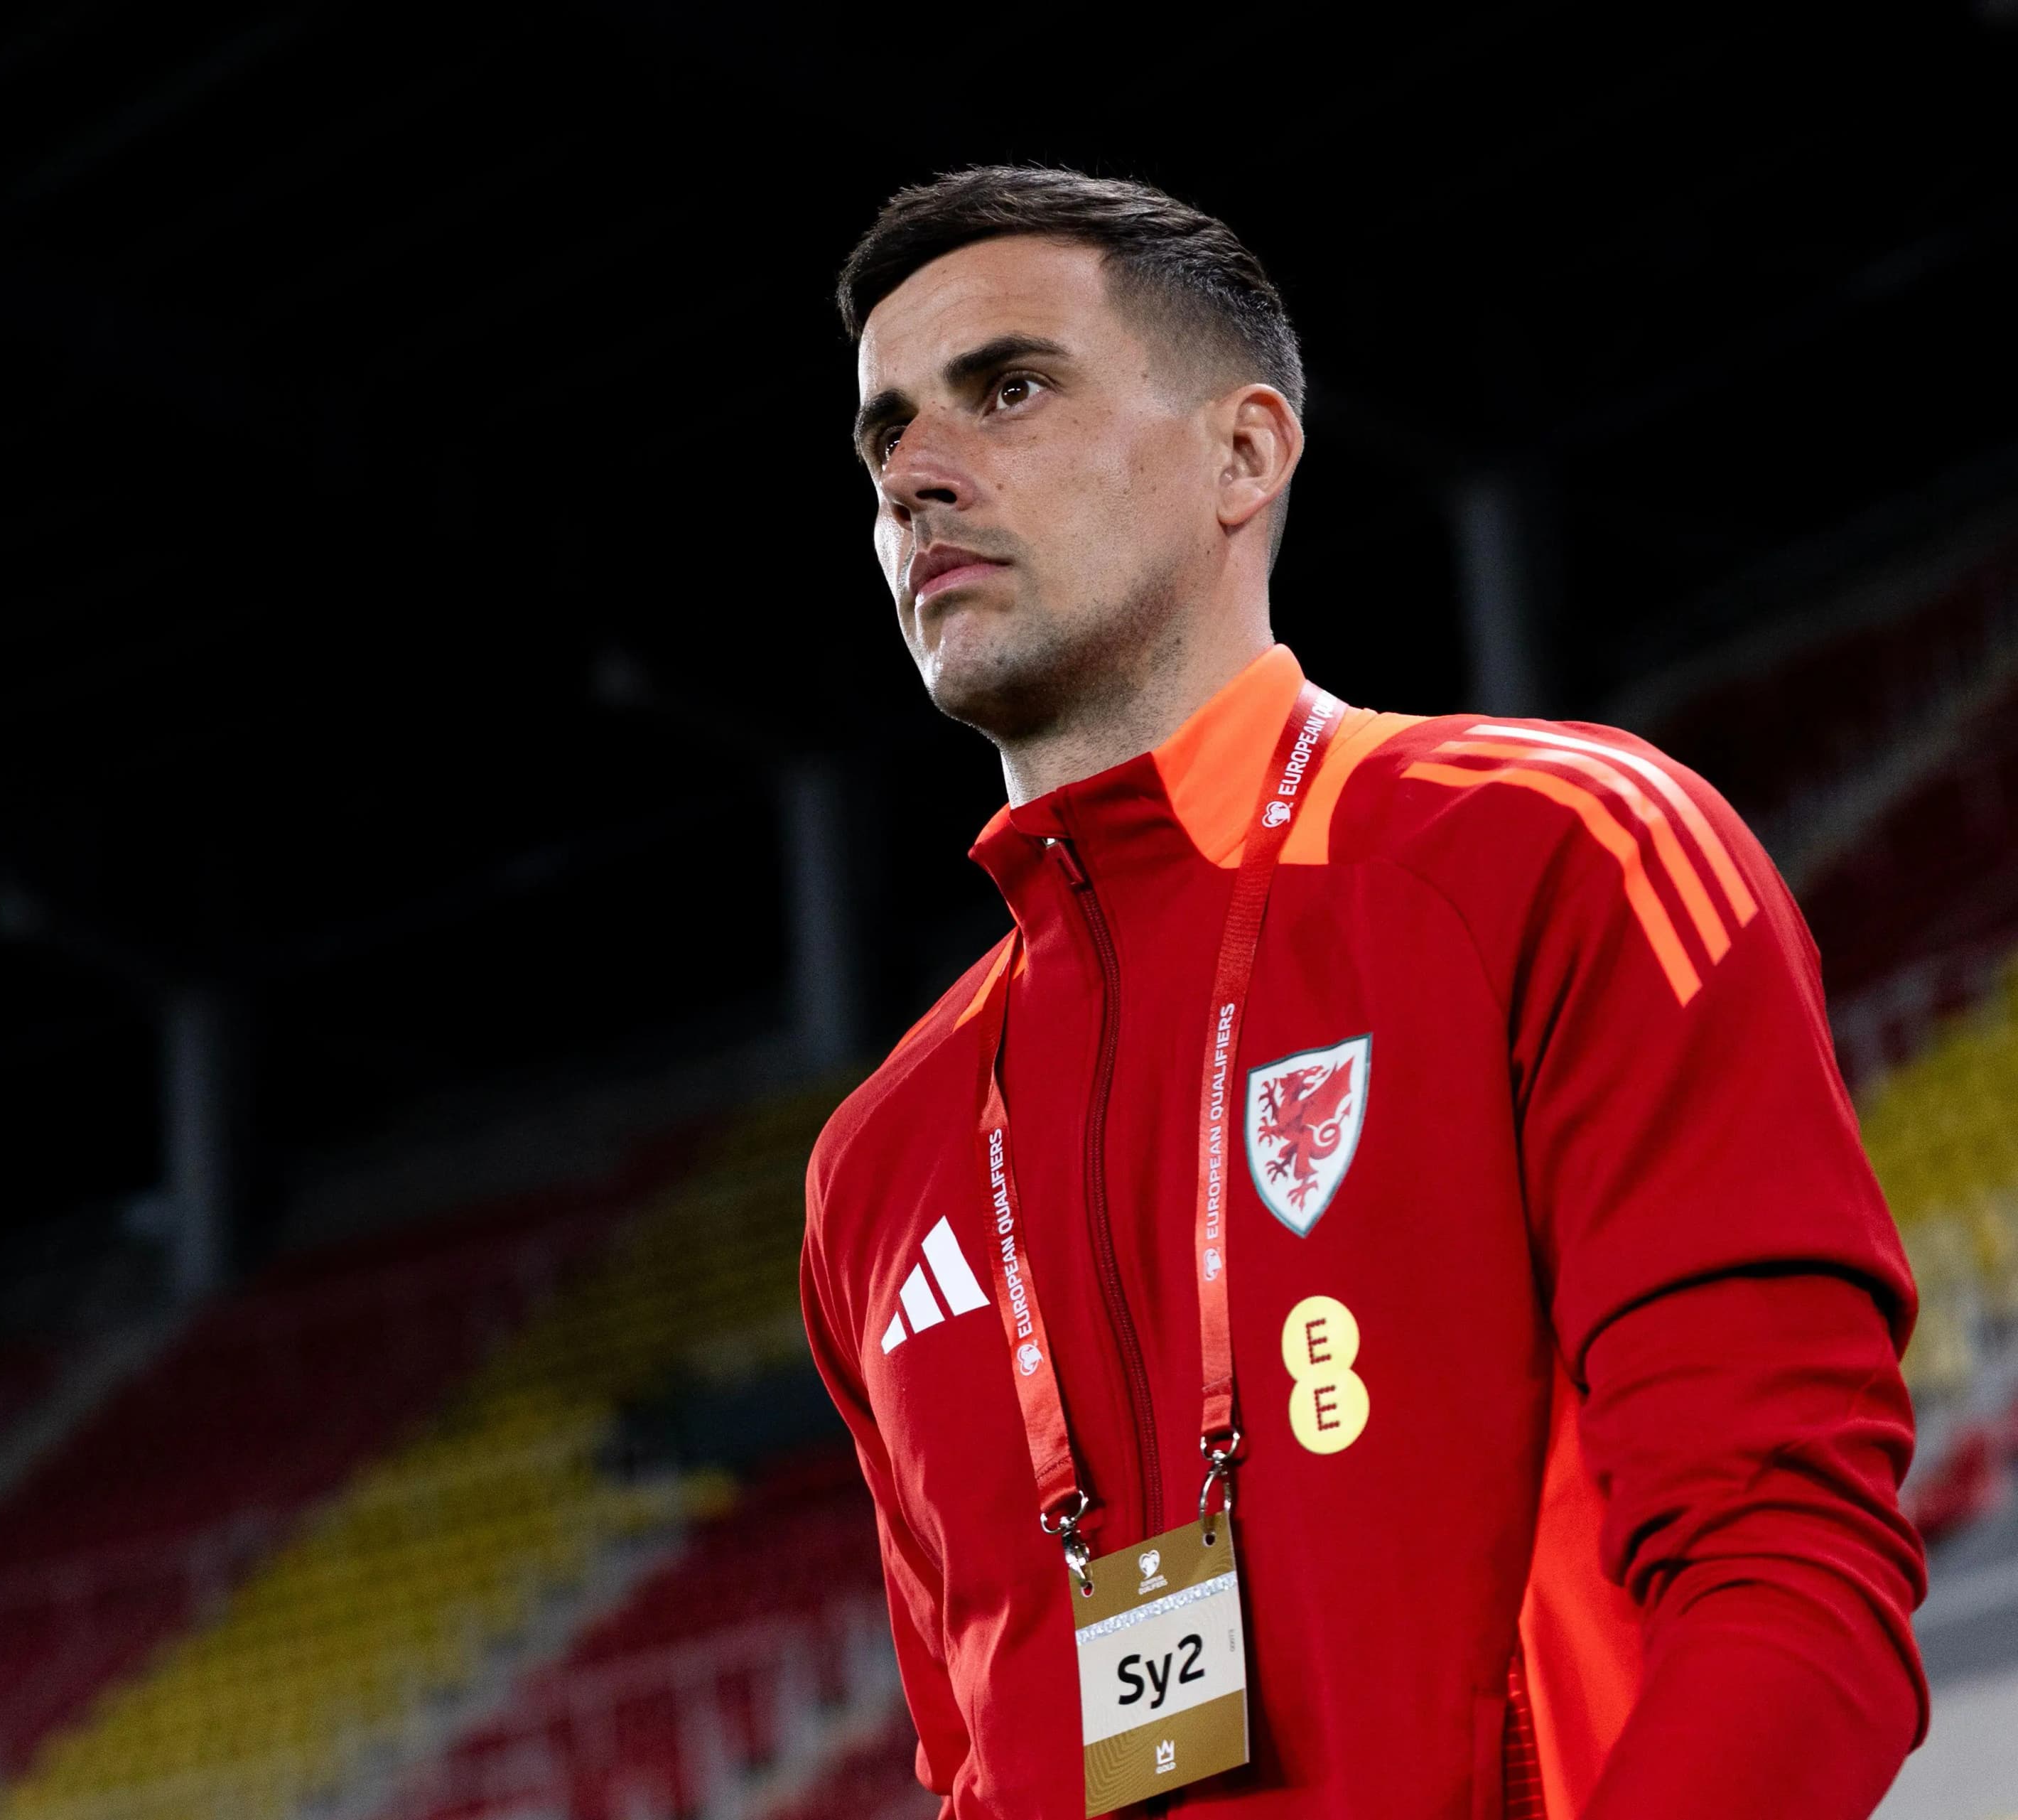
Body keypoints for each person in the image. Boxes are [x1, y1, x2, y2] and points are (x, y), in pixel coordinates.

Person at [799, 166, 1926, 1820]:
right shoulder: (876, 1168)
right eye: (883, 433)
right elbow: (977, 1773)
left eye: (1010, 389)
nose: (916, 477)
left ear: (1243, 454)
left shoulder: (1551, 853)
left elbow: (1791, 1570)